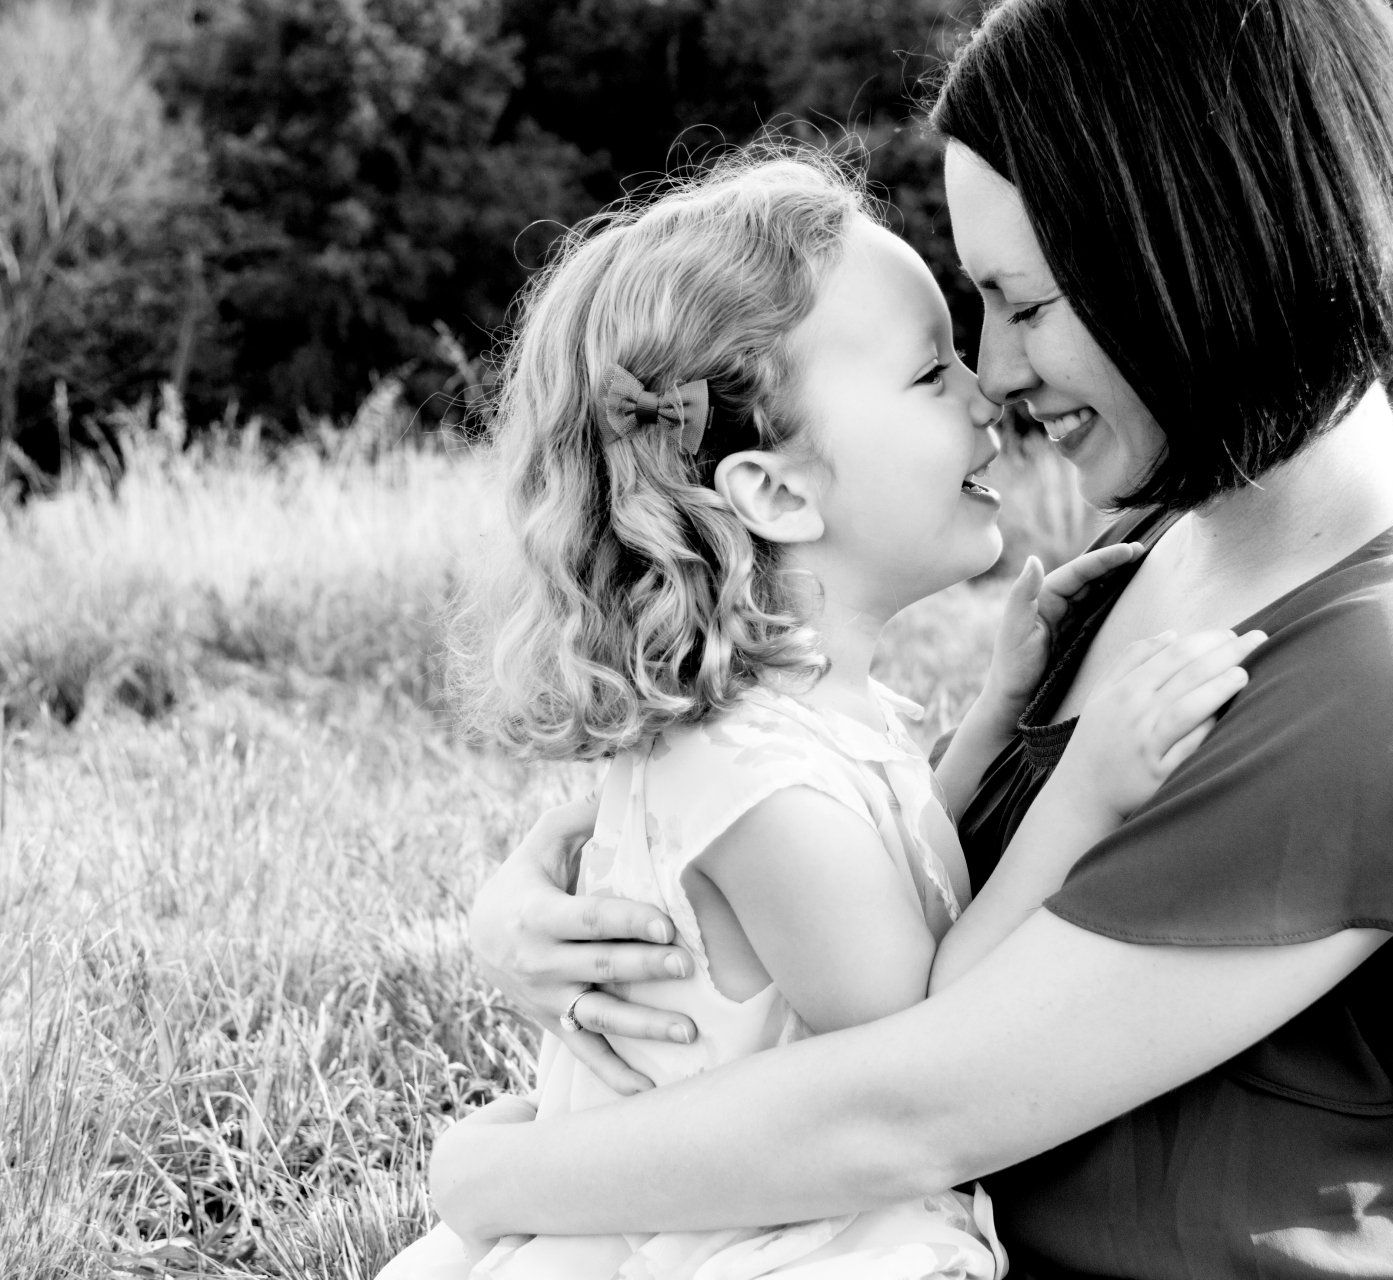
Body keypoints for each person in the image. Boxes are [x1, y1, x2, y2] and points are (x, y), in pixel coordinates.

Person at [426, 1, 1393, 1276]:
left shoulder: (1388, 674)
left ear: (1196, 255)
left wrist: (500, 1171)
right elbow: (853, 885)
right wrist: (537, 911)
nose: (996, 372)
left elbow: (912, 1099)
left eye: (1021, 303)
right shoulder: (1157, 561)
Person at [378, 154, 1261, 1280]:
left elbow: (883, 887)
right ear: (779, 492)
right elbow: (929, 1021)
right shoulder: (762, 787)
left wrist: (996, 714)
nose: (987, 392)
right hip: (771, 1246)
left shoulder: (798, 724)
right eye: (929, 373)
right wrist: (1084, 795)